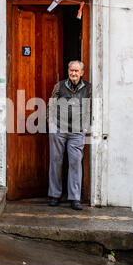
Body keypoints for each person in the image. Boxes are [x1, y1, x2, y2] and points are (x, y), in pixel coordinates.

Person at [47, 60, 92, 210]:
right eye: (71, 70)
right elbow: (51, 105)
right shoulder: (59, 86)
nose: (73, 73)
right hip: (59, 128)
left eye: (76, 71)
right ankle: (54, 195)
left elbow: (90, 107)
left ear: (82, 73)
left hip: (77, 132)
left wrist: (85, 128)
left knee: (75, 163)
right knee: (56, 162)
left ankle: (75, 198)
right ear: (68, 71)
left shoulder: (88, 88)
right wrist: (51, 124)